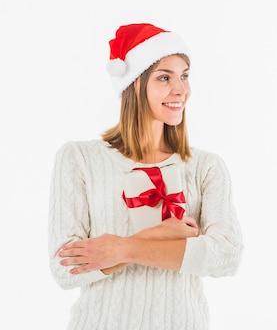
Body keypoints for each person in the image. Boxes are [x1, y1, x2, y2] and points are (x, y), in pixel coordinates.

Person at [48, 23, 243, 330]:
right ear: (135, 85)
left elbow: (226, 256)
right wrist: (157, 236)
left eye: (185, 75)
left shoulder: (206, 166)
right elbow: (65, 268)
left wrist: (123, 248)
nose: (181, 89)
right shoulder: (79, 159)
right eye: (164, 77)